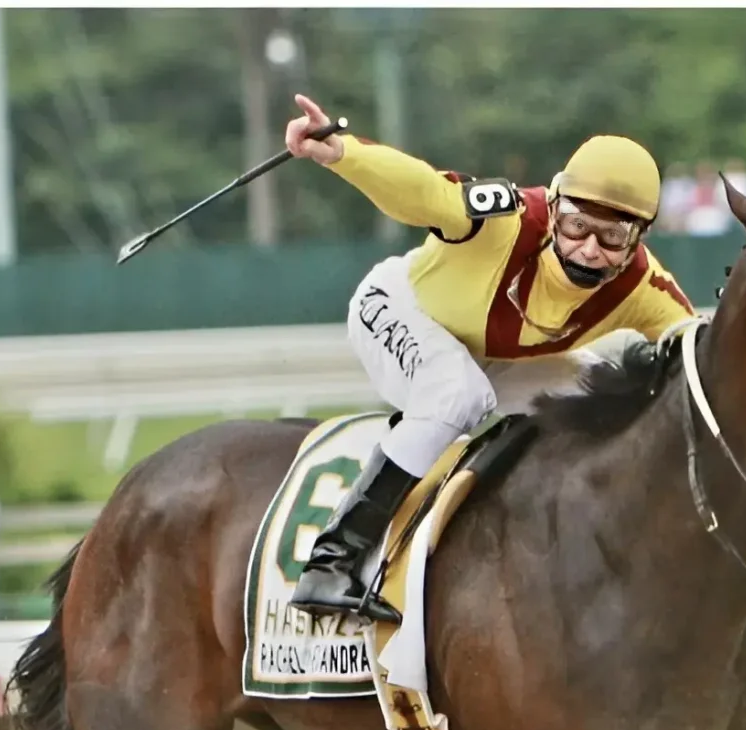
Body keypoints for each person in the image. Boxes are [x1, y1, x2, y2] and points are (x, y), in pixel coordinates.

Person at [280, 97, 700, 623]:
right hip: (397, 308)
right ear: (554, 205)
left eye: (613, 237)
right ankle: (332, 560)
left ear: (639, 236)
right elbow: (427, 192)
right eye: (575, 226)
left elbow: (701, 351)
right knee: (458, 391)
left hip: (486, 355)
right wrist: (342, 152)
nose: (590, 249)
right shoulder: (506, 218)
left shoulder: (646, 286)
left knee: (606, 394)